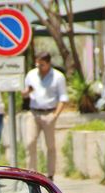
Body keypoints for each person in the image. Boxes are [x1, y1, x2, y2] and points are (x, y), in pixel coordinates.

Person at [22, 51, 69, 181]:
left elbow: (63, 98)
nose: (39, 67)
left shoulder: (58, 77)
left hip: (49, 113)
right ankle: (31, 174)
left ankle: (50, 175)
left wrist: (55, 115)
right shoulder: (31, 75)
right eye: (37, 64)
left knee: (50, 145)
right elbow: (24, 94)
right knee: (30, 142)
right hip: (34, 112)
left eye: (42, 64)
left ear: (48, 63)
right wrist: (27, 92)